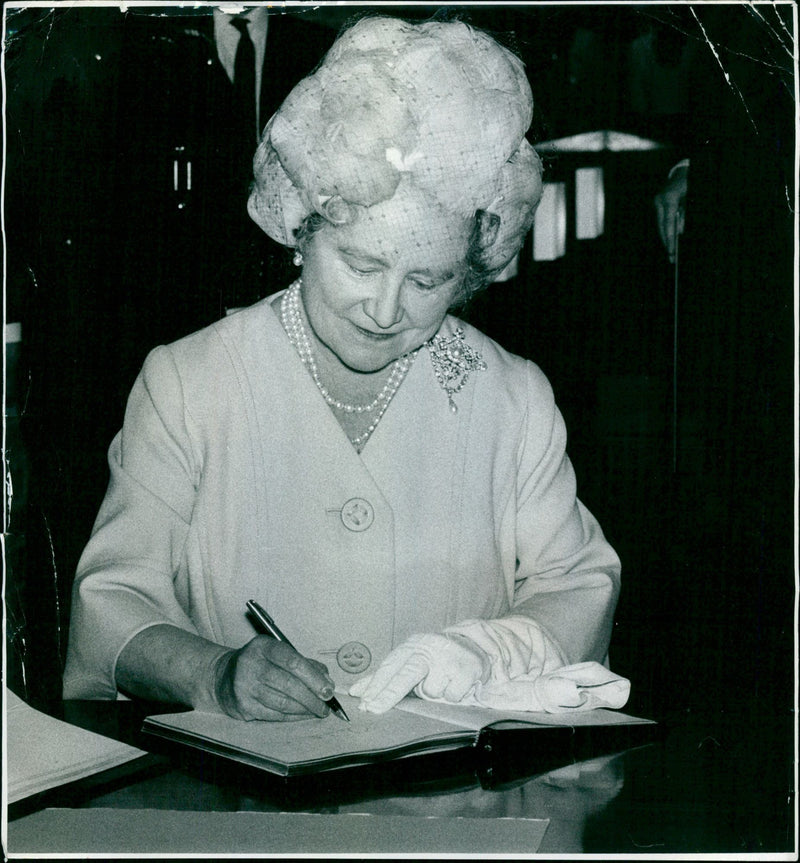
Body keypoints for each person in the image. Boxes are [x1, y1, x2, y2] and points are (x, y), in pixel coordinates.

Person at [63, 15, 626, 722]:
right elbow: (114, 598)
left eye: (429, 281)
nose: (387, 310)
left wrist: (490, 651)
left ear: (472, 271)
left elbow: (577, 582)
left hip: (447, 811)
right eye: (361, 264)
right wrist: (215, 673)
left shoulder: (512, 398)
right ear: (302, 226)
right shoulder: (189, 383)